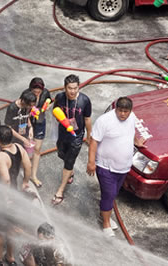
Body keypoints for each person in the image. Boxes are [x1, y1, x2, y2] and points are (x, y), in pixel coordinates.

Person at [86, 97, 146, 236]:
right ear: (116, 109)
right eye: (120, 111)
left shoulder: (131, 118)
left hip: (124, 167)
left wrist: (137, 142)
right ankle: (106, 223)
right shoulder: (104, 121)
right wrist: (91, 162)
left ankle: (105, 214)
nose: (123, 114)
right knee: (109, 194)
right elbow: (94, 141)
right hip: (106, 166)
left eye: (126, 111)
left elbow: (131, 132)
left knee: (113, 194)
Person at [0, 125, 31, 264]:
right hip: (15, 195)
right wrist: (25, 182)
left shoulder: (0, 157)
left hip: (3, 198)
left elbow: (6, 179)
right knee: (11, 229)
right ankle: (10, 256)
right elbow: (28, 166)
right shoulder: (19, 148)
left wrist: (5, 199)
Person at [51, 74, 91, 207]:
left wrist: (89, 135)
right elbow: (55, 111)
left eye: (75, 88)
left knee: (69, 162)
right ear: (65, 88)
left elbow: (87, 119)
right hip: (62, 134)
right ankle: (70, 171)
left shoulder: (85, 100)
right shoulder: (60, 98)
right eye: (70, 88)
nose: (73, 91)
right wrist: (62, 120)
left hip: (77, 136)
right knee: (61, 154)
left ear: (78, 87)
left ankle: (60, 191)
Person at [25, 78, 52, 188]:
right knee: (26, 148)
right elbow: (23, 111)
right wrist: (30, 127)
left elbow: (49, 100)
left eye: (38, 92)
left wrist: (47, 106)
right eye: (34, 92)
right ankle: (25, 174)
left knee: (37, 149)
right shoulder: (26, 94)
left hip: (40, 121)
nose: (36, 94)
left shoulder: (45, 93)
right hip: (27, 121)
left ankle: (33, 175)